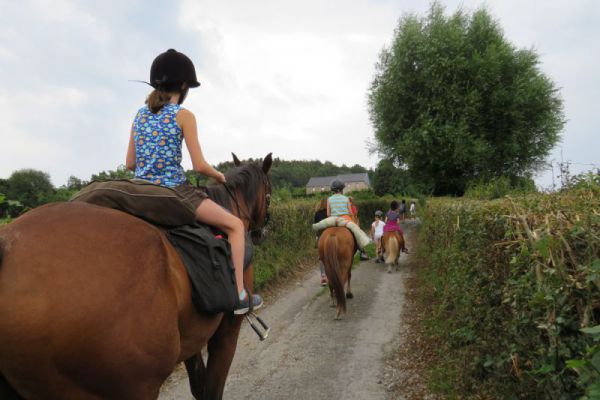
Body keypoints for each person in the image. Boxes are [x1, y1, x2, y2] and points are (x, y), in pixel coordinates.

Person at [126, 49, 262, 314]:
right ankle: (239, 294)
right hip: (174, 192)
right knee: (234, 226)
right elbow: (198, 165)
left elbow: (130, 163)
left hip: (138, 191)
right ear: (185, 86)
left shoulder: (140, 115)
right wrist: (219, 176)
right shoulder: (183, 115)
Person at [327, 181, 369, 260]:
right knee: (357, 233)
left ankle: (320, 251)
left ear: (333, 190)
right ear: (341, 190)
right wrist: (354, 221)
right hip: (345, 219)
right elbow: (350, 212)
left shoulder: (329, 199)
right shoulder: (346, 198)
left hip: (333, 220)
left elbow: (328, 214)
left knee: (322, 232)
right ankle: (362, 252)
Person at [314, 198, 328, 286]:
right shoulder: (329, 213)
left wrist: (316, 237)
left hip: (320, 236)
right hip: (329, 233)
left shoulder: (317, 213)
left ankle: (323, 277)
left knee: (321, 257)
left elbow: (315, 226)